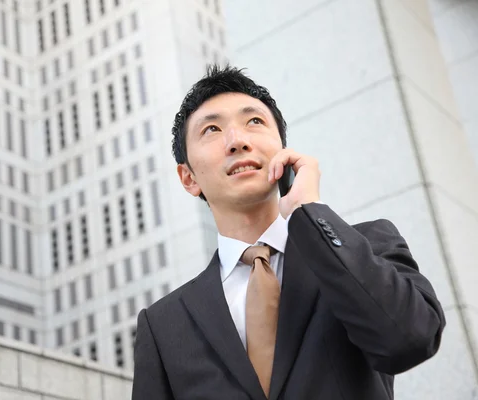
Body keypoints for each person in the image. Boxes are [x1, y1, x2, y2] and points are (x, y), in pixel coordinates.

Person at [131, 65, 445, 400]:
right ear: (188, 178)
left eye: (254, 121)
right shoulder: (163, 325)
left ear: (282, 148)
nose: (237, 141)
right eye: (211, 129)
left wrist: (307, 209)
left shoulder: (366, 246)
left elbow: (411, 339)